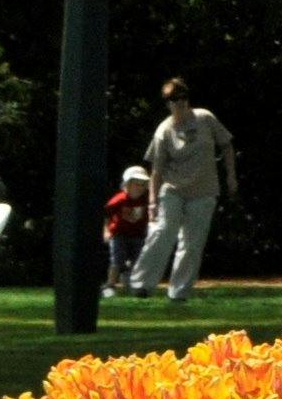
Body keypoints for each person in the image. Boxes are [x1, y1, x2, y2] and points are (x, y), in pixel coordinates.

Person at [126, 78, 238, 301]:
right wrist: (152, 202)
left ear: (187, 99)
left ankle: (179, 293)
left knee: (192, 243)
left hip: (204, 191)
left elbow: (226, 145)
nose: (178, 103)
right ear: (167, 103)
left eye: (181, 98)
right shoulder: (164, 131)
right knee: (163, 232)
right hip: (173, 190)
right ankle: (141, 285)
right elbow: (156, 171)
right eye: (172, 100)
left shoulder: (205, 118)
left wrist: (231, 176)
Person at [101, 167, 154, 295]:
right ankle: (110, 284)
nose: (140, 187)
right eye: (136, 184)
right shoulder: (119, 200)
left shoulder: (146, 201)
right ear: (127, 184)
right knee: (117, 260)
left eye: (143, 185)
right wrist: (106, 231)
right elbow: (105, 214)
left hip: (138, 235)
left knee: (138, 260)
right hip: (118, 234)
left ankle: (134, 284)